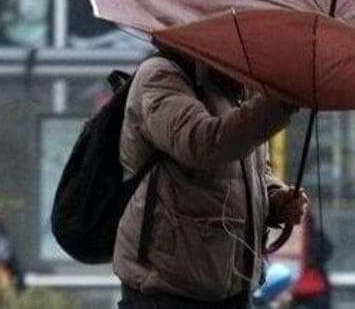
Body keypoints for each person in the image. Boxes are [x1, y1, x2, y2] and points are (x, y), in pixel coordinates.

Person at [115, 54, 309, 309]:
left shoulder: (241, 88)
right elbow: (202, 143)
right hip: (166, 290)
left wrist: (274, 198)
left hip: (233, 289)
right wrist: (279, 103)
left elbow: (252, 174)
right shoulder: (161, 75)